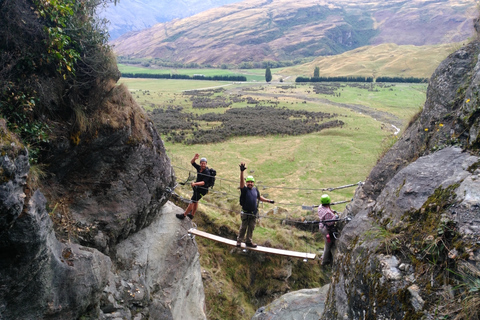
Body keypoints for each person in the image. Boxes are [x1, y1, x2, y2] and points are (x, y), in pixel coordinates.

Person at [236, 162, 274, 248]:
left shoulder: (255, 190)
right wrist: (242, 172)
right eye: (248, 182)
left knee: (251, 227)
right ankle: (239, 241)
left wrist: (268, 201)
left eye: (251, 182)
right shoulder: (244, 189)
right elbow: (241, 183)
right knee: (243, 227)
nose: (250, 183)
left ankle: (248, 241)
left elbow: (259, 197)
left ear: (253, 183)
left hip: (253, 212)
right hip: (245, 212)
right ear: (246, 183)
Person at [176, 154, 211, 220]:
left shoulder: (207, 172)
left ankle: (184, 215)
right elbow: (192, 162)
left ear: (206, 164)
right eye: (202, 163)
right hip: (197, 188)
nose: (203, 165)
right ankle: (192, 215)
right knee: (196, 201)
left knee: (192, 201)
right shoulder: (199, 168)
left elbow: (204, 182)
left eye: (204, 164)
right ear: (200, 163)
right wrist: (194, 158)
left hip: (202, 190)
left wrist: (195, 184)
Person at [318, 194, 338, 265]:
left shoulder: (320, 207)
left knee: (326, 243)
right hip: (327, 230)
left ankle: (323, 257)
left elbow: (327, 210)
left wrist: (332, 212)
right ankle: (324, 261)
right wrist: (336, 217)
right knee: (328, 245)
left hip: (321, 227)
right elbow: (330, 223)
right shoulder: (328, 213)